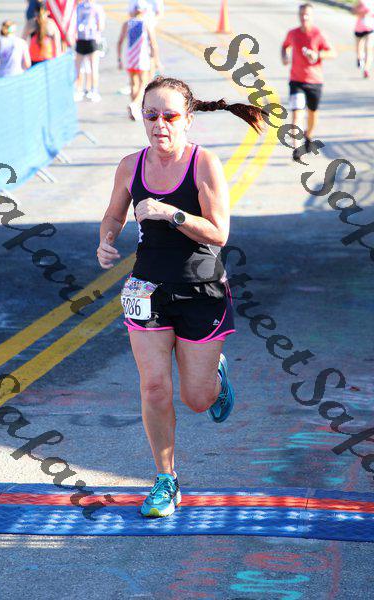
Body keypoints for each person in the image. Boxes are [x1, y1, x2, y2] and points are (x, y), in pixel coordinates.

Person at [96, 76, 265, 518]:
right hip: (146, 288)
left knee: (197, 399)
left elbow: (219, 232)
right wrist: (106, 241)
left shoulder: (204, 163)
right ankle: (166, 479)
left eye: (170, 116)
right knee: (154, 386)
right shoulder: (130, 166)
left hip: (200, 289)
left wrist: (171, 213)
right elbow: (113, 215)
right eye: (151, 115)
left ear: (188, 119)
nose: (160, 124)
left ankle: (215, 377)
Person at [281, 3, 336, 162]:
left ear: (312, 16)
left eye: (307, 15)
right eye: (302, 14)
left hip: (315, 81)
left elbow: (333, 52)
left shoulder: (318, 34)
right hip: (296, 81)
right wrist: (285, 56)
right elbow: (285, 46)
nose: (304, 17)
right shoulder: (292, 33)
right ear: (298, 16)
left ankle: (308, 135)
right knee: (297, 113)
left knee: (312, 115)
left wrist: (317, 55)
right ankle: (297, 148)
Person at [117, 0, 161, 120]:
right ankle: (134, 104)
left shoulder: (127, 23)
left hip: (130, 58)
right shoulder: (146, 24)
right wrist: (156, 60)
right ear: (144, 11)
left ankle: (135, 110)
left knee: (133, 83)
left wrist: (119, 59)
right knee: (144, 83)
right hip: (142, 58)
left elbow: (120, 42)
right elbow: (153, 44)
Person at [74, 0, 105, 102]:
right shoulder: (97, 8)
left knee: (78, 67)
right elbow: (101, 26)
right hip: (93, 39)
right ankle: (94, 91)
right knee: (94, 67)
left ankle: (78, 90)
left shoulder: (79, 7)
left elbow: (75, 23)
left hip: (80, 39)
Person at [22, 1, 61, 66]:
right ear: (48, 12)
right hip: (48, 59)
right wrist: (57, 61)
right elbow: (57, 45)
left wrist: (24, 59)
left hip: (33, 60)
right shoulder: (51, 24)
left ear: (34, 13)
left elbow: (22, 42)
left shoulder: (30, 24)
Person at [352, 0, 374, 78]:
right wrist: (362, 13)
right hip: (361, 28)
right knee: (362, 49)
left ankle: (365, 68)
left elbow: (354, 11)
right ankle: (361, 60)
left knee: (368, 49)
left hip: (368, 28)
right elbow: (354, 11)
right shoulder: (361, 1)